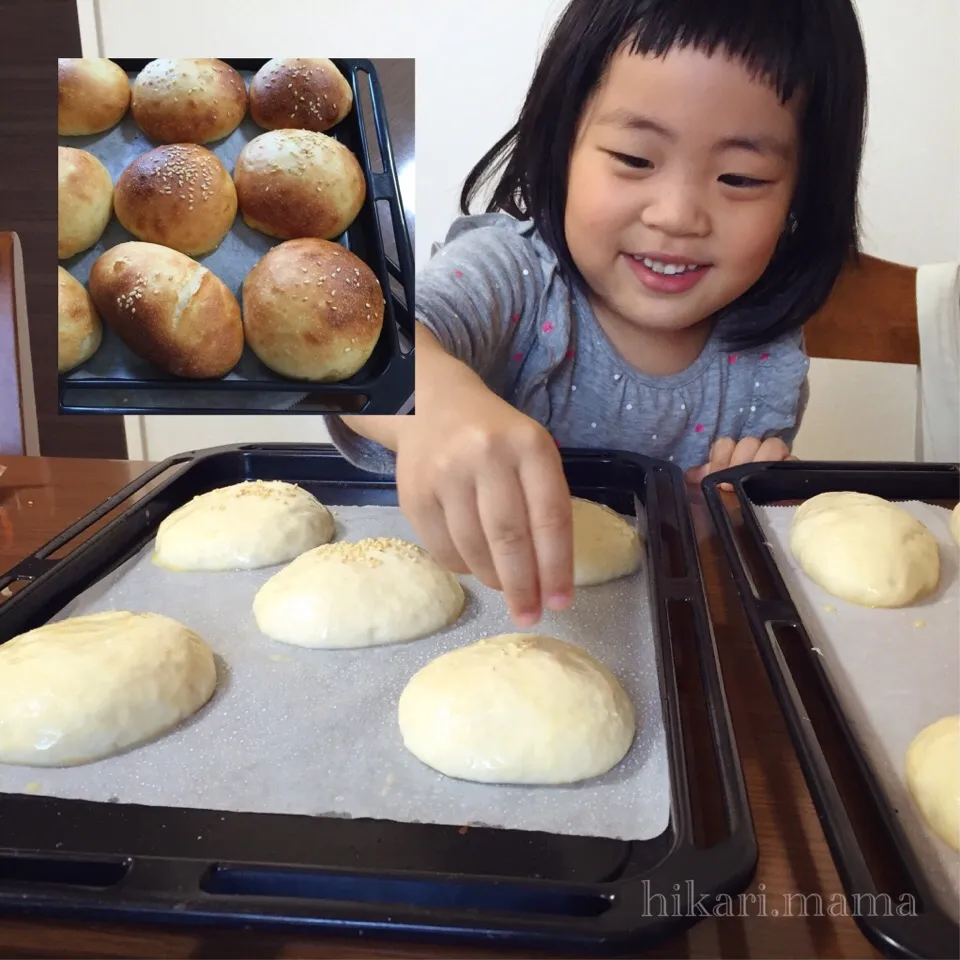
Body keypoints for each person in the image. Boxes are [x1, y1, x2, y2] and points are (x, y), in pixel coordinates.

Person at [327, 0, 868, 627]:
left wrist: (729, 519)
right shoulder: (515, 275)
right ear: (563, 146)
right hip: (467, 623)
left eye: (741, 178)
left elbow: (704, 579)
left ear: (803, 193)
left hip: (656, 653)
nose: (677, 215)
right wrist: (436, 409)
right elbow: (364, 343)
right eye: (636, 159)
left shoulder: (765, 360)